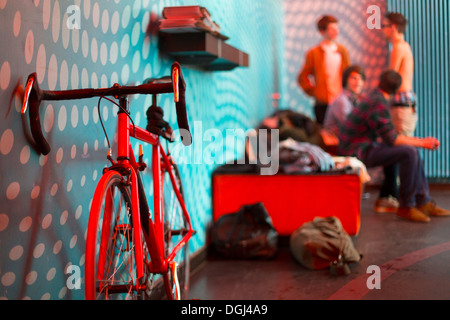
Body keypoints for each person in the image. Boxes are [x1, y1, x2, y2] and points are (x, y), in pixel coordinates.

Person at [337, 70, 450, 223]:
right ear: (396, 90)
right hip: (356, 151)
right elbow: (392, 139)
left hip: (361, 147)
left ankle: (423, 201)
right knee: (409, 152)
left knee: (413, 150)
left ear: (379, 83)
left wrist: (419, 143)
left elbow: (388, 136)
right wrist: (423, 142)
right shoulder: (378, 102)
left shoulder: (375, 98)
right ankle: (406, 206)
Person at [298, 15, 351, 125]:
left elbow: (349, 74)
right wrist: (314, 91)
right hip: (322, 102)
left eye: (337, 28)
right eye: (332, 29)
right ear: (322, 31)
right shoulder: (314, 53)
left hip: (341, 100)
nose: (336, 31)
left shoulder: (342, 51)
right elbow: (302, 77)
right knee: (324, 133)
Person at [383, 12, 417, 137]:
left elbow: (390, 78)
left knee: (403, 145)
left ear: (393, 27)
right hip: (406, 102)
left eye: (384, 26)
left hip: (401, 104)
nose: (383, 30)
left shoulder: (397, 47)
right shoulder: (405, 46)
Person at [323, 65, 366, 137]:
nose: (358, 82)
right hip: (335, 143)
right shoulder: (342, 101)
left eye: (361, 79)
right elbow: (350, 126)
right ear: (346, 80)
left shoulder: (355, 100)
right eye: (354, 78)